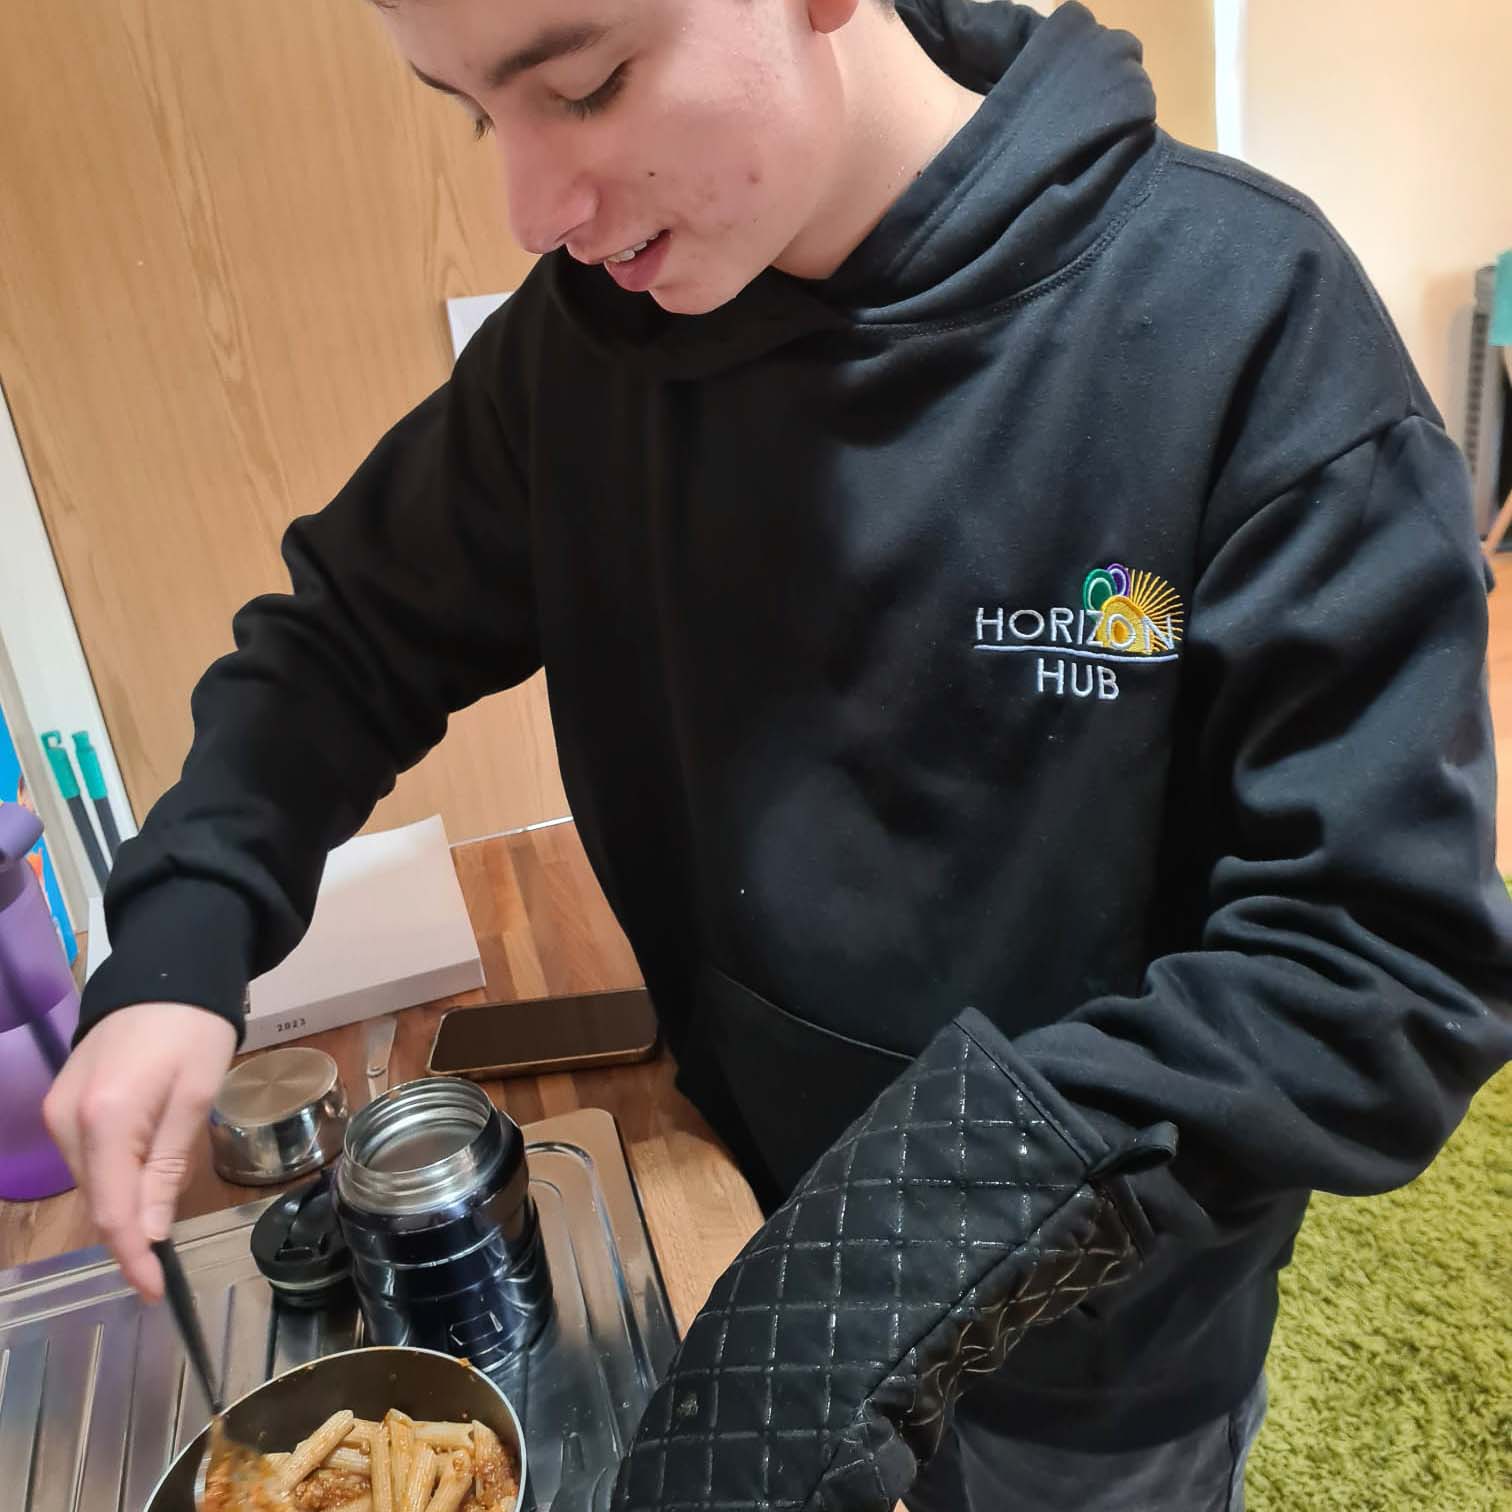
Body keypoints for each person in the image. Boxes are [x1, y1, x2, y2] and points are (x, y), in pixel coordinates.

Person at [43, 1, 1512, 1508]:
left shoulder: (1246, 325)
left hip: (1095, 1367)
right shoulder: (588, 351)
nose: (533, 208)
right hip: (734, 1212)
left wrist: (910, 1232)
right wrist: (180, 937)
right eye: (480, 114)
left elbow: (1379, 972)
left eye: (591, 85)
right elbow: (349, 634)